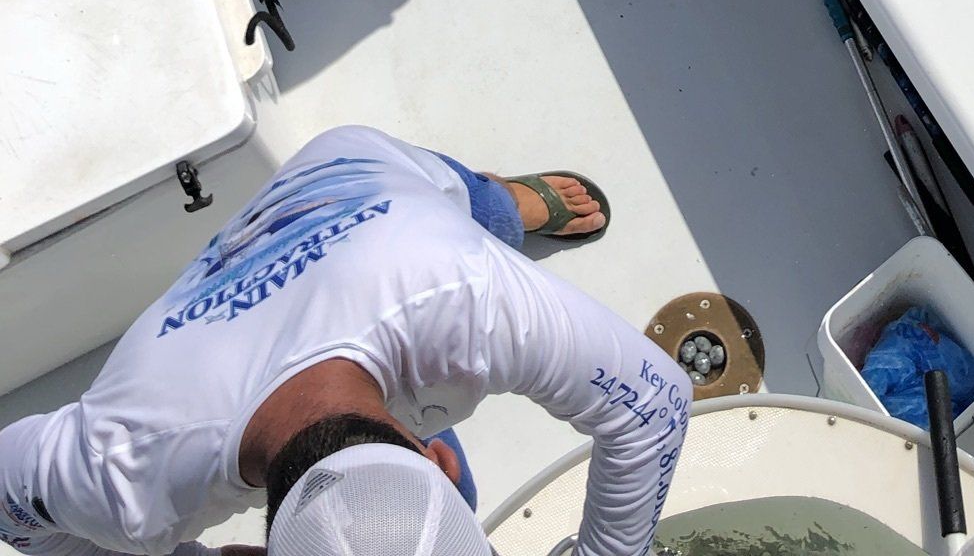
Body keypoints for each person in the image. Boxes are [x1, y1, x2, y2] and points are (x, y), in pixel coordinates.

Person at [0, 126, 689, 556]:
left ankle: (504, 200)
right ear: (438, 458)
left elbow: (659, 405)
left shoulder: (472, 293)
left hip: (360, 171)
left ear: (442, 460)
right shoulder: (114, 476)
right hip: (370, 260)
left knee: (475, 207)